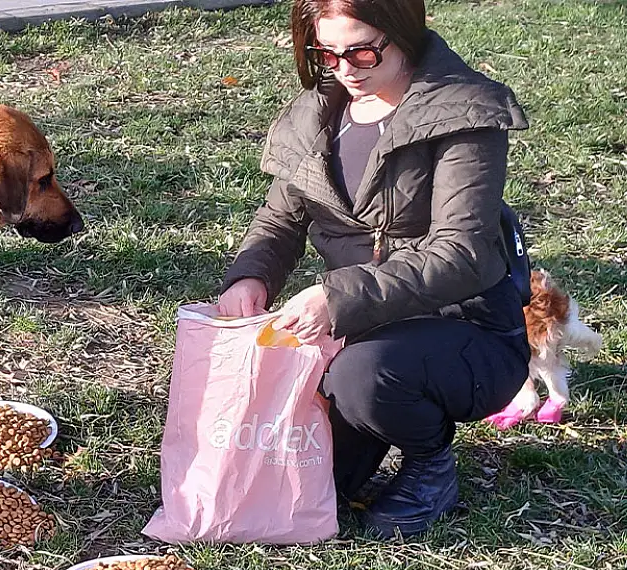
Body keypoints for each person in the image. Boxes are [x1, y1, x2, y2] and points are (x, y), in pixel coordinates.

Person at [217, 0, 531, 538]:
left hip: (465, 331)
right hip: (362, 328)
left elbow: (463, 254)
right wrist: (252, 275)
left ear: (403, 34)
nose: (345, 69)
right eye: (327, 53)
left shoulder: (465, 110)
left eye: (362, 51)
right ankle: (362, 430)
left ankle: (429, 465)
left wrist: (336, 298)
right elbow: (280, 220)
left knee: (363, 378)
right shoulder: (318, 115)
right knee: (311, 484)